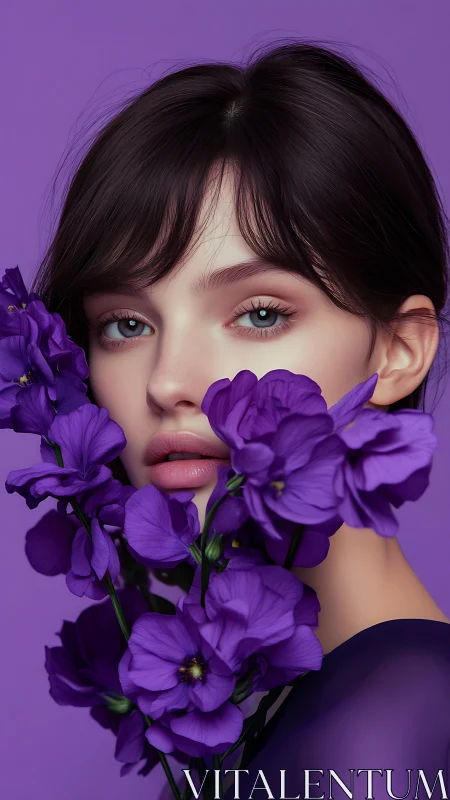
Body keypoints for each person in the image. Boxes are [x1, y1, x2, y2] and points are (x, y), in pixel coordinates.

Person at [33, 39, 450, 797]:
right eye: (125, 324)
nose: (167, 381)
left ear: (398, 350)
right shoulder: (282, 707)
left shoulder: (393, 719)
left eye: (258, 313)